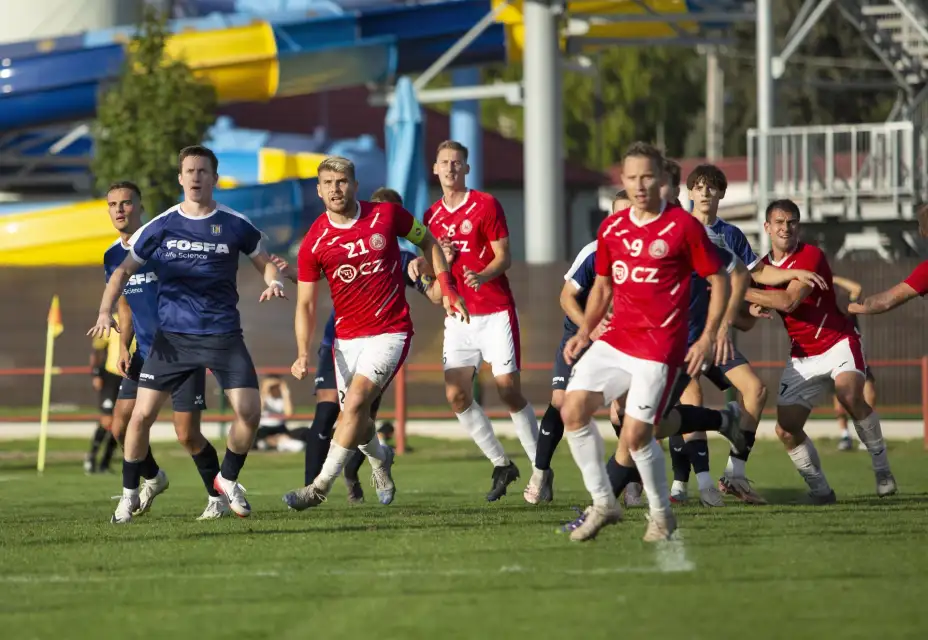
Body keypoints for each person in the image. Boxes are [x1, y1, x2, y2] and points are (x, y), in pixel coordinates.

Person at [558, 141, 746, 542]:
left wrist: (711, 334)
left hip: (661, 346)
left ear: (662, 180)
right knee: (571, 410)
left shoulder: (683, 227)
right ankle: (604, 503)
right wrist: (583, 331)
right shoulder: (612, 228)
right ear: (622, 181)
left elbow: (720, 278)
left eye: (647, 176)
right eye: (632, 177)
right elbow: (603, 288)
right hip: (617, 339)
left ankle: (661, 515)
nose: (639, 185)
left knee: (638, 434)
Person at [88, 145, 287, 524]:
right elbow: (123, 281)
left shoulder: (233, 223)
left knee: (231, 419)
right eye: (189, 171)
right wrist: (109, 321)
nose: (195, 177)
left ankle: (224, 483)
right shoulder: (158, 229)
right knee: (134, 419)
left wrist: (276, 279)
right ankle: (133, 492)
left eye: (202, 171)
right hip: (168, 342)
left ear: (213, 177)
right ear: (180, 178)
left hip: (220, 336)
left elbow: (265, 261)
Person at [283, 157, 466, 511]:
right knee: (358, 417)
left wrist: (448, 288)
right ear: (319, 191)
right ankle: (380, 458)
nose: (336, 189)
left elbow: (429, 241)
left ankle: (318, 487)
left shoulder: (386, 215)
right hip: (345, 340)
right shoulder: (314, 241)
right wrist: (303, 352)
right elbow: (305, 304)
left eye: (342, 181)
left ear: (354, 185)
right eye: (328, 183)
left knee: (353, 404)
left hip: (390, 331)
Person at [669, 164, 827, 505]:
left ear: (722, 193)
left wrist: (794, 272)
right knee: (688, 400)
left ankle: (734, 474)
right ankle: (695, 483)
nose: (706, 192)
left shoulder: (731, 236)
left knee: (755, 390)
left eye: (713, 187)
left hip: (716, 336)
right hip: (682, 337)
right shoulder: (678, 229)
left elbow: (756, 273)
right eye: (699, 186)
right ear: (690, 192)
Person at [745, 199, 896, 502]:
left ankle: (882, 469)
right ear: (767, 227)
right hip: (803, 355)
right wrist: (747, 305)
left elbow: (788, 301)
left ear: (798, 226)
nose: (785, 228)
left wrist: (739, 289)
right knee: (786, 430)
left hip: (838, 341)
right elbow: (748, 311)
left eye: (791, 222)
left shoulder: (811, 255)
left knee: (850, 395)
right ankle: (821, 490)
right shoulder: (761, 268)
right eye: (779, 222)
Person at [101, 182, 225, 520]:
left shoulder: (162, 246)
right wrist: (123, 347)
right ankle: (153, 479)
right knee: (121, 427)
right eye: (113, 204)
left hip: (183, 349)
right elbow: (125, 306)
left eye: (126, 203)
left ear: (140, 207)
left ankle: (218, 498)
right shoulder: (112, 257)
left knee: (187, 434)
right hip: (143, 353)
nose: (119, 210)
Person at [424, 139, 540, 502]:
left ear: (467, 169)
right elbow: (431, 283)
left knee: (509, 390)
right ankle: (502, 463)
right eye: (444, 162)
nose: (450, 168)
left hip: (495, 311)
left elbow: (504, 257)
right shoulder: (430, 217)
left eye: (457, 163)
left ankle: (541, 468)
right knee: (456, 395)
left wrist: (482, 275)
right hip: (458, 317)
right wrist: (429, 265)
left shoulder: (486, 204)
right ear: (435, 169)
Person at [830, 275, 876, 450]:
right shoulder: (824, 311)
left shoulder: (847, 305)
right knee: (839, 396)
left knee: (869, 391)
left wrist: (834, 278)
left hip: (855, 354)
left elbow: (856, 288)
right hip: (834, 358)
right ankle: (845, 436)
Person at [87, 325, 122, 474]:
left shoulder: (141, 320)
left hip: (129, 378)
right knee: (107, 420)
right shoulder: (112, 322)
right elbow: (97, 350)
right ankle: (91, 459)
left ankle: (105, 463)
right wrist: (96, 373)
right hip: (111, 377)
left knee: (120, 423)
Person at [255, 375, 308, 453]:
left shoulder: (282, 399)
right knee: (252, 437)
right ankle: (276, 442)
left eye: (276, 386)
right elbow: (260, 409)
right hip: (263, 429)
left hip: (280, 428)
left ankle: (274, 443)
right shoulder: (263, 397)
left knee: (304, 431)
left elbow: (289, 413)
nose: (274, 388)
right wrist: (265, 389)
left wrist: (285, 392)